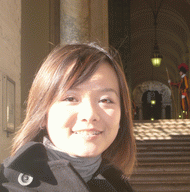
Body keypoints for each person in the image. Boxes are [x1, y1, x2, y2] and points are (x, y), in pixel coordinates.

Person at [0, 43, 136, 192]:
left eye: (105, 100)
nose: (90, 115)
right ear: (43, 113)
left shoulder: (118, 185)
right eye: (70, 98)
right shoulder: (8, 185)